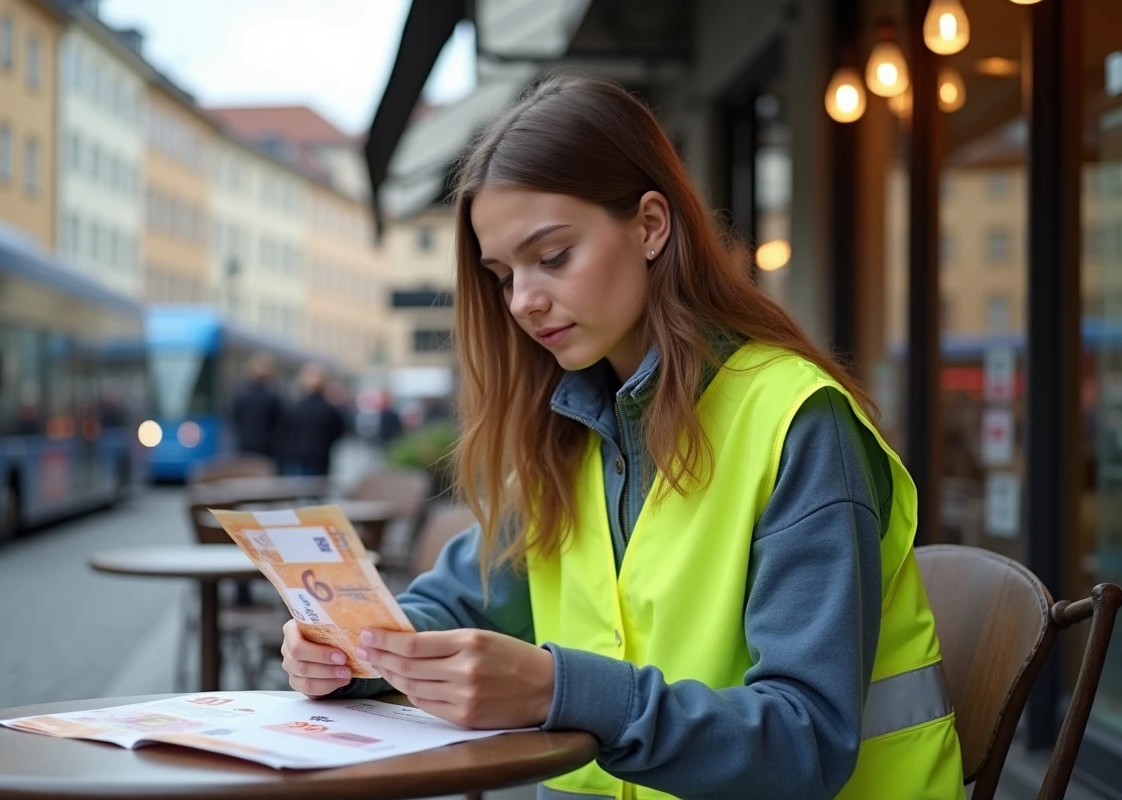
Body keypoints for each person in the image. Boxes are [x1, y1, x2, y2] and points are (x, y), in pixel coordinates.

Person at [280, 75, 964, 799]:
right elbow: (462, 603)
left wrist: (559, 690)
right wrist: (359, 651)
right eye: (502, 274)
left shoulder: (800, 424)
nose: (522, 301)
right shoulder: (567, 427)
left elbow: (803, 743)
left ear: (649, 226)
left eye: (552, 257)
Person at [286, 363, 346, 477]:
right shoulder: (329, 409)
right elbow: (339, 432)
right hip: (320, 457)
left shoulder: (296, 407)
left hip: (296, 458)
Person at [230, 353, 282, 461]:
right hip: (266, 448)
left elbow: (234, 418)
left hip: (245, 445)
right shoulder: (272, 397)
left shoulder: (241, 394)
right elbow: (279, 423)